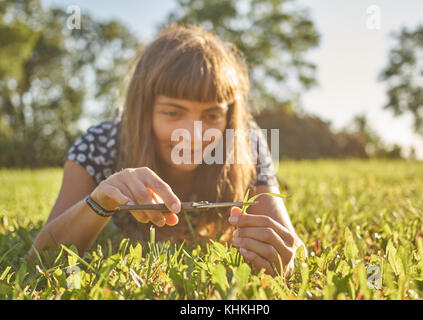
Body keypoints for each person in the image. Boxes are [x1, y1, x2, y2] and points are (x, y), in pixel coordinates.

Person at [28, 23, 306, 277]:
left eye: (211, 116)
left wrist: (285, 262)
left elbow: (292, 249)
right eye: (173, 113)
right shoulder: (100, 143)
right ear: (143, 111)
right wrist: (100, 201)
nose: (193, 134)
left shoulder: (246, 141)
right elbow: (40, 260)